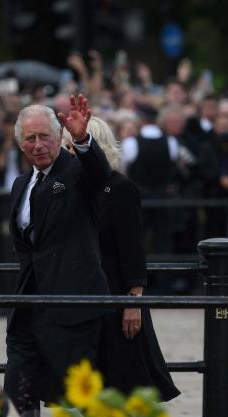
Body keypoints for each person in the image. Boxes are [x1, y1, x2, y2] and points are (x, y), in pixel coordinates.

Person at [3, 95, 112, 414]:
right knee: (18, 387)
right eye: (30, 138)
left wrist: (82, 140)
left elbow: (100, 176)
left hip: (72, 305)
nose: (38, 145)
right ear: (21, 144)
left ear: (58, 137)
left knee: (73, 401)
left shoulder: (76, 172)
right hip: (29, 305)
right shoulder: (20, 184)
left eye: (45, 137)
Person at [64, 118, 179, 401]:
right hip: (83, 293)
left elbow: (132, 248)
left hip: (116, 293)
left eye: (73, 148)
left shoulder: (120, 187)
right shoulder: (69, 189)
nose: (67, 155)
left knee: (126, 372)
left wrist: (133, 301)